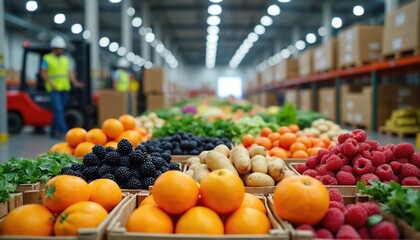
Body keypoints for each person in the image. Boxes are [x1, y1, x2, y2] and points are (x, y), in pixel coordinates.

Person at [41, 36, 83, 138]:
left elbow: (70, 73)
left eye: (61, 48)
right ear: (54, 48)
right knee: (59, 110)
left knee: (59, 111)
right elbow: (43, 73)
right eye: (58, 48)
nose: (60, 50)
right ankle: (65, 132)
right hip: (54, 89)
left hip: (65, 88)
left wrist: (76, 82)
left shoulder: (65, 59)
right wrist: (51, 83)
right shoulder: (47, 58)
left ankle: (52, 130)